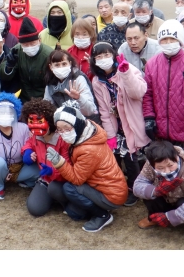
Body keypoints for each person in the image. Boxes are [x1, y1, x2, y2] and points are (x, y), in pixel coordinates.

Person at [45, 104, 128, 232]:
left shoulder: (88, 149)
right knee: (75, 214)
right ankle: (90, 208)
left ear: (77, 125)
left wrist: (59, 163)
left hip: (110, 194)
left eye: (67, 128)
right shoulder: (83, 135)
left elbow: (77, 179)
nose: (63, 133)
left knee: (69, 188)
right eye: (59, 129)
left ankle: (103, 216)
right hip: (97, 186)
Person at [90, 41, 149, 206]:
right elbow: (104, 110)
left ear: (114, 55)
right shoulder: (97, 81)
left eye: (106, 55)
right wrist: (110, 135)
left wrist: (126, 73)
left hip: (132, 121)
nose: (103, 59)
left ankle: (136, 187)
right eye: (99, 56)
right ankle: (125, 186)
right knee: (119, 156)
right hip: (116, 124)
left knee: (133, 157)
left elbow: (138, 92)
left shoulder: (128, 69)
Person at [142, 20, 184, 159]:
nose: (168, 43)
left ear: (180, 41)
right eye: (164, 39)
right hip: (162, 130)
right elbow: (148, 94)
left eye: (172, 39)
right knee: (166, 166)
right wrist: (149, 118)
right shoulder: (152, 64)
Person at [20, 99, 70, 216]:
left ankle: (67, 202)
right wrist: (27, 152)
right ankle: (52, 198)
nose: (35, 125)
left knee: (54, 188)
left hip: (64, 182)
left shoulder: (63, 139)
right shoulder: (36, 137)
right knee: (35, 209)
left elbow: (69, 166)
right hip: (45, 180)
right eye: (31, 121)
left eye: (39, 121)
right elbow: (29, 144)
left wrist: (53, 171)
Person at [0, 18, 53, 103]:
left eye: (32, 43)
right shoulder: (16, 51)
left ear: (39, 40)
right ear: (20, 44)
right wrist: (9, 67)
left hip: (43, 98)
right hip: (23, 97)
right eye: (25, 44)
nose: (29, 47)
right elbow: (3, 75)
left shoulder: (49, 54)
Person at [44, 49, 97, 120]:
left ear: (70, 63)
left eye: (64, 64)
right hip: (62, 121)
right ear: (51, 67)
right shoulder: (50, 83)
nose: (61, 67)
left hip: (85, 121)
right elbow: (47, 107)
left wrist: (79, 98)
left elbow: (90, 110)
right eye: (57, 65)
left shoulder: (78, 78)